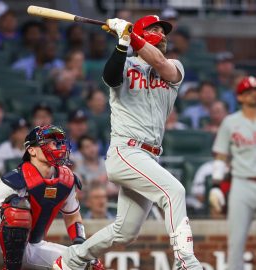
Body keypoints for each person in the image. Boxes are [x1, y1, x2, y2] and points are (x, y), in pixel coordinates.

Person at [54, 15, 202, 270]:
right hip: (126, 151)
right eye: (155, 29)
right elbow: (111, 78)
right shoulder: (126, 62)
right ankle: (184, 261)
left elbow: (159, 62)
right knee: (174, 191)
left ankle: (72, 259)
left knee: (125, 231)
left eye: (164, 31)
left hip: (149, 156)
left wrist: (130, 35)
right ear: (142, 33)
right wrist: (122, 42)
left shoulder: (174, 65)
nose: (163, 34)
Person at [0, 124, 103, 270]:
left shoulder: (67, 180)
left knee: (90, 263)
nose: (55, 146)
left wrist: (80, 249)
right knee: (17, 210)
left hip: (32, 245)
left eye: (55, 143)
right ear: (31, 150)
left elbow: (73, 218)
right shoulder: (13, 181)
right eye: (48, 143)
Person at [209, 76, 256, 270]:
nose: (253, 94)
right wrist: (216, 186)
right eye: (248, 91)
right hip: (241, 183)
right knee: (236, 242)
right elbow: (221, 156)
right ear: (240, 97)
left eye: (254, 90)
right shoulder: (230, 122)